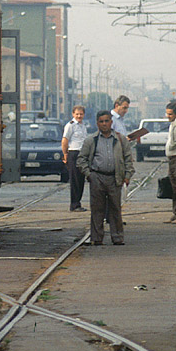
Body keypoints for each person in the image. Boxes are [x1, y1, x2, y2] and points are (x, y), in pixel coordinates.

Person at [77, 110, 134, 246]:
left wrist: (127, 175)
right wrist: (89, 174)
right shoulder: (91, 140)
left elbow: (128, 159)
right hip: (97, 177)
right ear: (97, 123)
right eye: (101, 121)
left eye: (106, 121)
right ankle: (97, 238)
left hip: (115, 178)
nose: (104, 124)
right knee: (97, 209)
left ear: (111, 122)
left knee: (115, 208)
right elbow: (81, 160)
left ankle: (117, 237)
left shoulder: (120, 139)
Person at [61, 105, 88, 212]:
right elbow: (64, 141)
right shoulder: (70, 126)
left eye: (81, 114)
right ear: (73, 114)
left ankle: (78, 202)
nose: (79, 116)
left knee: (81, 180)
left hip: (82, 154)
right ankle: (74, 204)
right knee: (75, 180)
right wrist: (65, 154)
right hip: (73, 153)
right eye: (77, 114)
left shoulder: (83, 126)